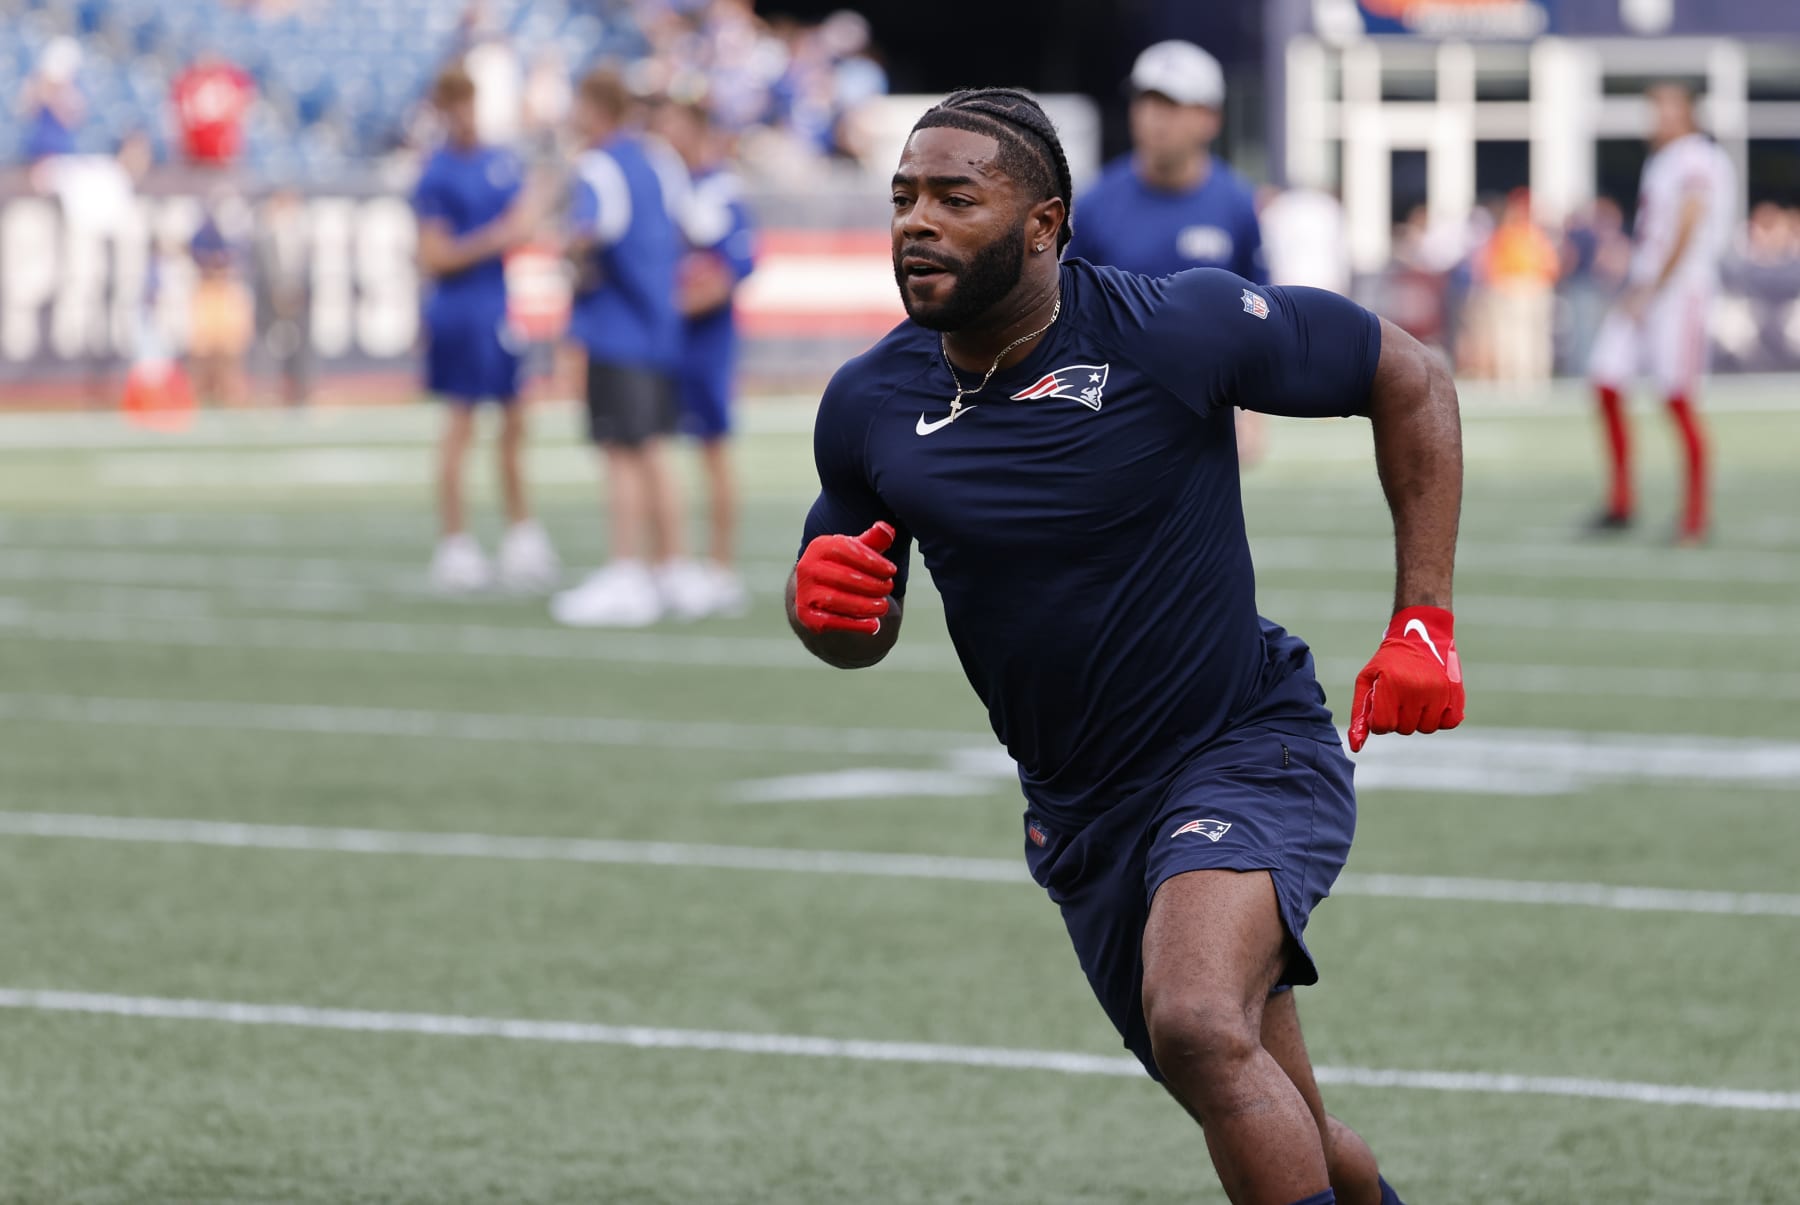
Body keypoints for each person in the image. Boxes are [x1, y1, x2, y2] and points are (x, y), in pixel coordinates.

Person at [788, 88, 1464, 1205]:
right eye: (904, 196)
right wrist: (821, 611)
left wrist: (1422, 619)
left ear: (1045, 223)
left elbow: (1413, 377)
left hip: (1240, 743)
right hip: (1083, 815)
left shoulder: (1170, 326)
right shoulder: (866, 403)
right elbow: (857, 630)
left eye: (957, 197)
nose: (917, 221)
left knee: (1198, 1018)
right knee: (1291, 1122)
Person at [1067, 40, 1270, 465]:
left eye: (1172, 105)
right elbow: (1069, 308)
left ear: (1209, 118)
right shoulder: (1097, 201)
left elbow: (1257, 309)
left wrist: (1250, 414)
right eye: (1146, 102)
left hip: (1205, 414)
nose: (1155, 118)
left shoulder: (1235, 204)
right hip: (1111, 411)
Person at [551, 69, 704, 627]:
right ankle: (674, 567)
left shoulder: (597, 164)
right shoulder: (661, 159)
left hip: (616, 329)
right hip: (661, 325)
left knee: (620, 450)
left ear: (594, 107)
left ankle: (626, 570)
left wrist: (569, 258)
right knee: (658, 450)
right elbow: (687, 229)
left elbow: (588, 233)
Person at [412, 63, 559, 594]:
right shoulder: (437, 173)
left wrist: (535, 207)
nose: (464, 113)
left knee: (516, 423)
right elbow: (435, 256)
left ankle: (522, 535)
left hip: (498, 311)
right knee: (460, 425)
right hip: (458, 312)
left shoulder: (500, 161)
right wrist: (498, 236)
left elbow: (527, 221)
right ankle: (454, 543)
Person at [1584, 82, 1734, 545]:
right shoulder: (1664, 160)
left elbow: (1688, 224)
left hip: (1679, 291)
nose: (1656, 119)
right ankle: (1622, 500)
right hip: (1647, 287)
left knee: (1678, 396)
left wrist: (1653, 285)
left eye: (1665, 109)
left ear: (1687, 113)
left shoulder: (1697, 157)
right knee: (1606, 379)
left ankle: (1694, 514)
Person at [654, 93, 757, 617]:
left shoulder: (721, 189)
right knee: (655, 450)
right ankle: (668, 563)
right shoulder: (664, 187)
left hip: (704, 342)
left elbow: (734, 270)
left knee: (712, 450)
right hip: (664, 339)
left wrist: (667, 309)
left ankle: (719, 568)